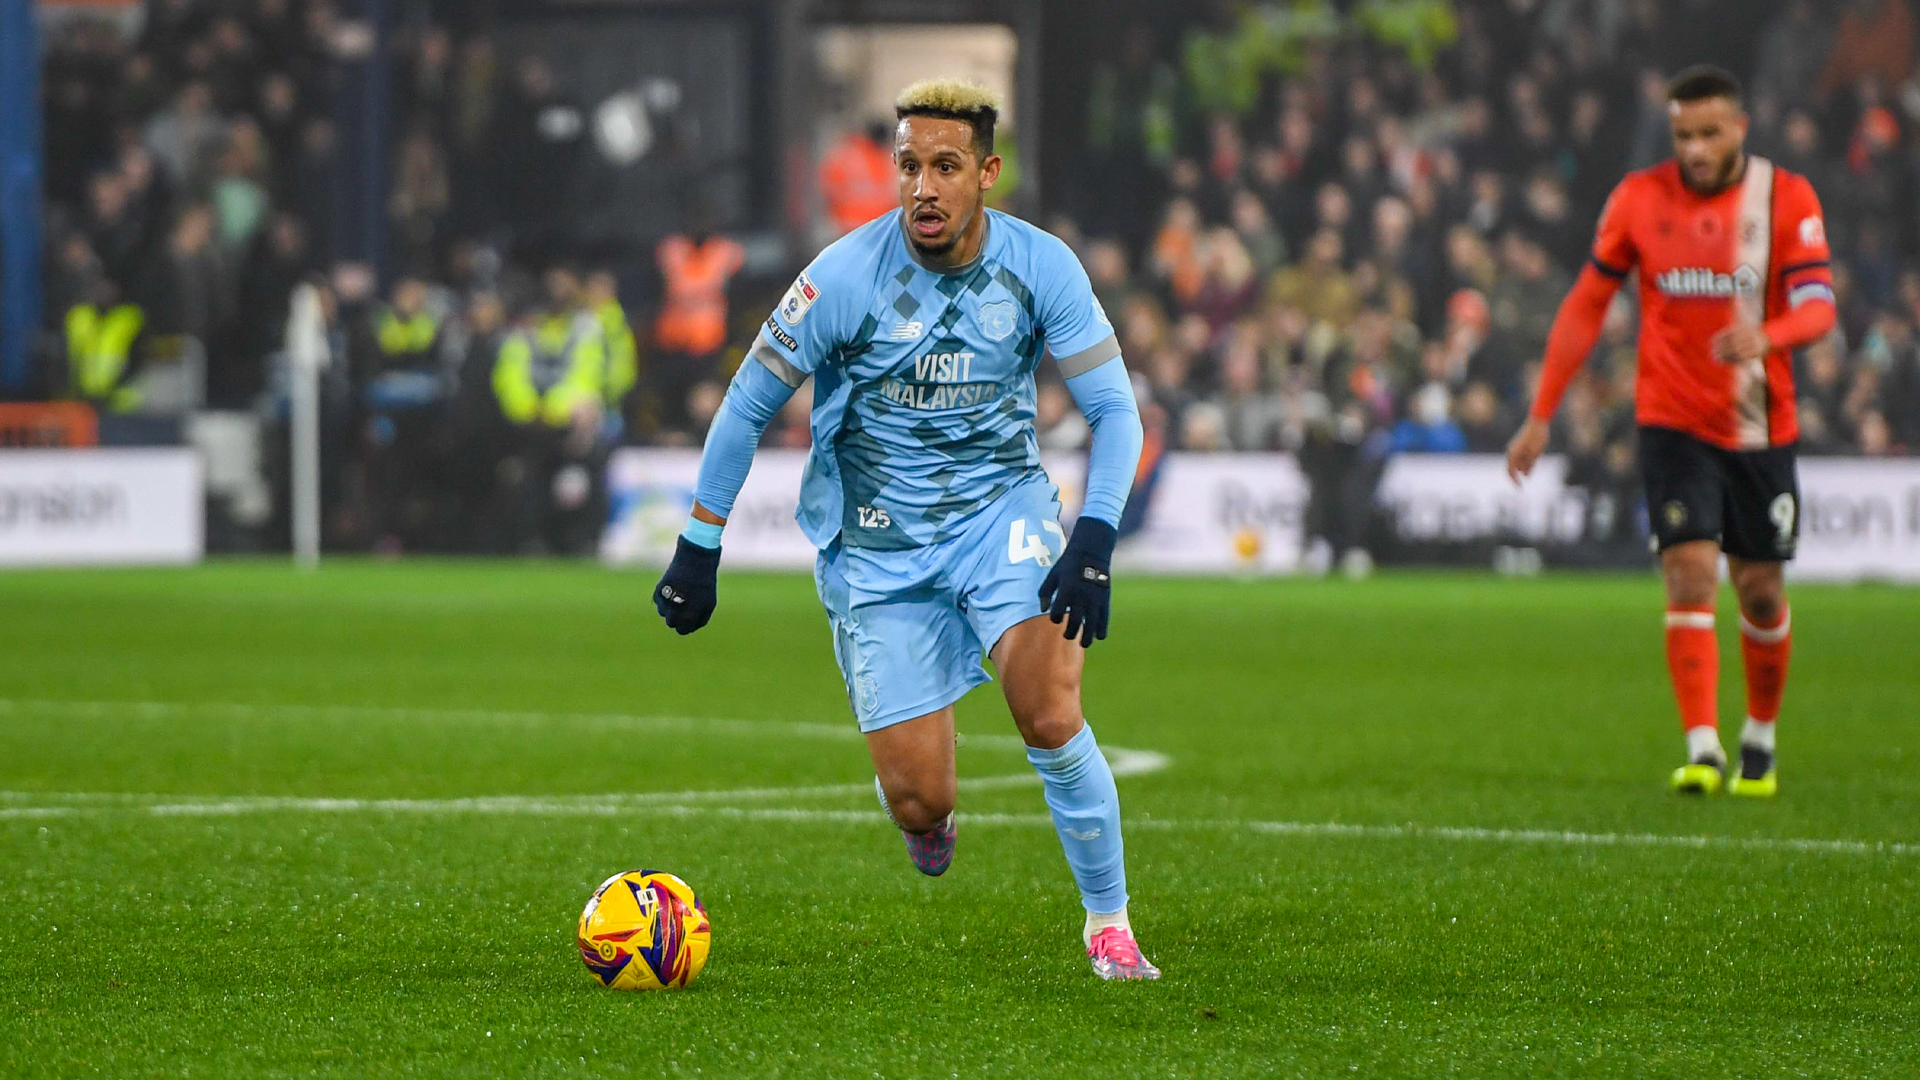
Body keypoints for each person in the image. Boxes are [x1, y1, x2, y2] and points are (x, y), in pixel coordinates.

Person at [650, 80, 1155, 980]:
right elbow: (746, 405)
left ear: (988, 174)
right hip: (881, 544)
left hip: (1004, 515)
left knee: (1048, 709)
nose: (923, 187)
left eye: (946, 167)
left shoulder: (1044, 268)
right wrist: (699, 543)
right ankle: (930, 815)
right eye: (909, 166)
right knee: (920, 799)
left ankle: (1109, 924)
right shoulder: (842, 277)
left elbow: (1117, 411)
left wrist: (1096, 537)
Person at [1506, 67, 1836, 798]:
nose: (1694, 149)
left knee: (1758, 592)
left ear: (1740, 128)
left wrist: (1769, 336)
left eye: (1709, 133)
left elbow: (1819, 307)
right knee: (1688, 574)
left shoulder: (1787, 198)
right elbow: (1586, 305)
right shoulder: (1638, 199)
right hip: (1672, 422)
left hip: (1760, 428)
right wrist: (1540, 414)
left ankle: (1760, 737)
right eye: (1683, 134)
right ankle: (1702, 748)